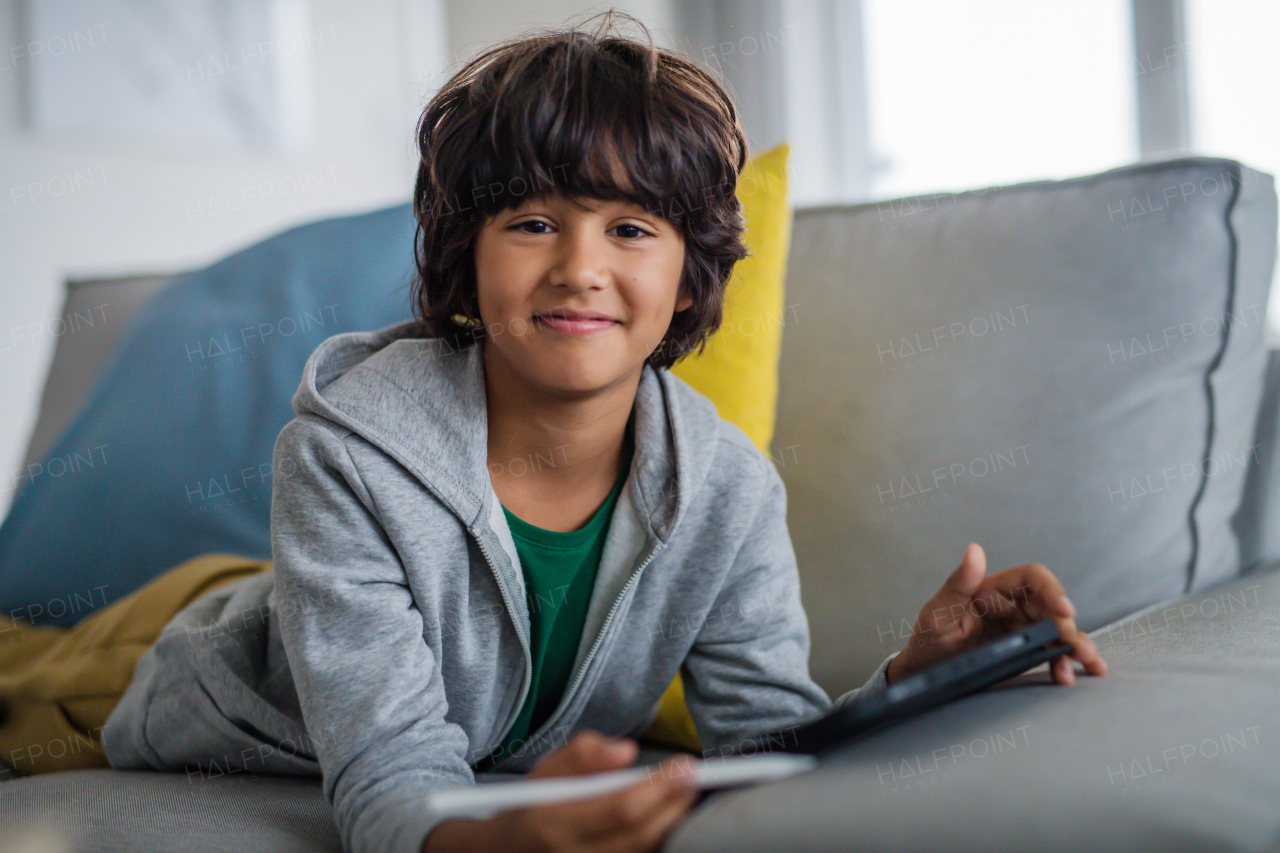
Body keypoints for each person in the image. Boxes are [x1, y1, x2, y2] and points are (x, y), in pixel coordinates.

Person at [96, 9, 1108, 853]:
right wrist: (515, 838)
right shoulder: (343, 454)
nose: (579, 266)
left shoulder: (727, 488)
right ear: (467, 255)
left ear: (685, 276)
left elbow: (760, 737)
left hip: (299, 600)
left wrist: (911, 678)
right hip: (220, 678)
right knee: (43, 671)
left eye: (629, 229)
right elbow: (388, 776)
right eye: (531, 222)